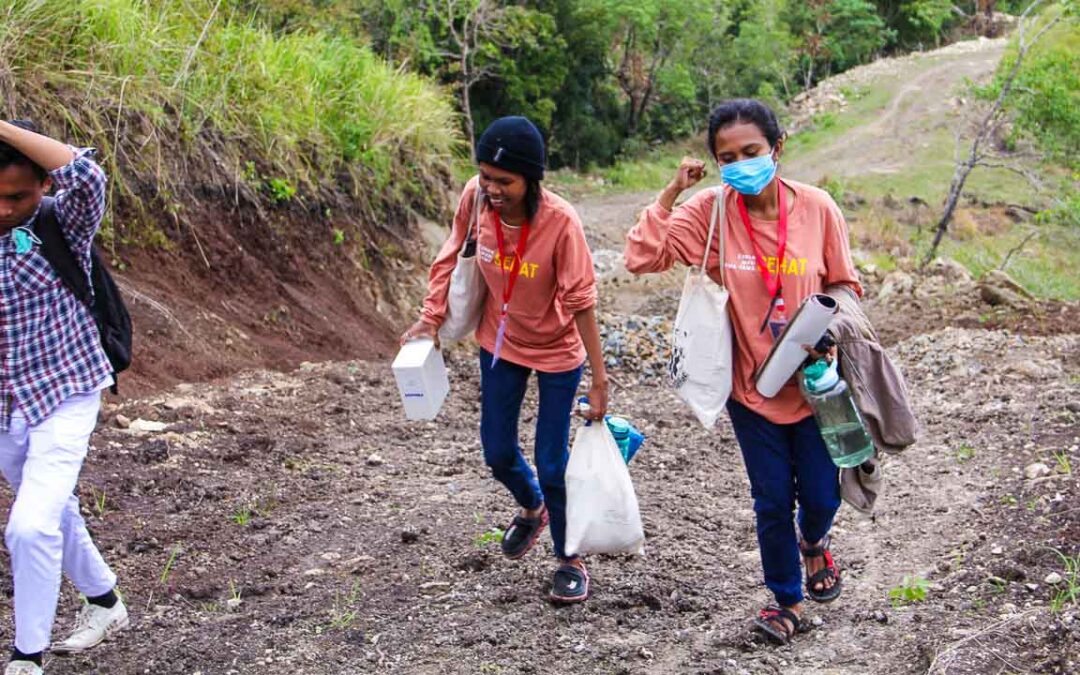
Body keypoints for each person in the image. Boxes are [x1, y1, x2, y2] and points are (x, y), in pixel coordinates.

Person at [624, 99, 862, 644]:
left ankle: (814, 543)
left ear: (777, 149)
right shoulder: (710, 211)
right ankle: (787, 600)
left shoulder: (818, 209)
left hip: (816, 383)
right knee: (772, 499)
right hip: (749, 388)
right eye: (726, 156)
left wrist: (829, 326)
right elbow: (642, 257)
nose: (740, 165)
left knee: (823, 496)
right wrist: (670, 193)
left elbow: (845, 285)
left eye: (751, 152)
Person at [402, 116, 608, 603]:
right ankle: (532, 506)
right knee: (496, 452)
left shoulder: (560, 222)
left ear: (530, 179)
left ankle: (568, 556)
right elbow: (452, 254)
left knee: (553, 462)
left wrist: (599, 378)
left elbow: (582, 300)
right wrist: (431, 317)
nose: (491, 188)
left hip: (558, 350)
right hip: (500, 340)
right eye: (486, 176)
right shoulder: (475, 198)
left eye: (504, 181)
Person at [0, 120, 129, 674]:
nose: (5, 209)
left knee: (28, 526)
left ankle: (26, 656)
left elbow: (88, 175)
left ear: (43, 188)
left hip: (68, 392)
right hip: (6, 407)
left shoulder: (64, 225)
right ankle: (105, 602)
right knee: (55, 510)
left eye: (18, 196)